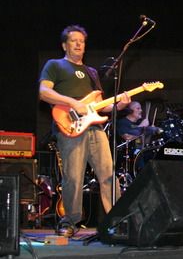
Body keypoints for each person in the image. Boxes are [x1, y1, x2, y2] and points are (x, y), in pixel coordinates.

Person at [39, 25, 130, 237]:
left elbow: (100, 105)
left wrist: (120, 105)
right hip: (70, 126)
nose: (79, 44)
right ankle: (70, 221)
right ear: (64, 45)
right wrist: (73, 103)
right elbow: (44, 92)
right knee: (73, 176)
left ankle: (117, 221)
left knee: (108, 175)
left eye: (82, 41)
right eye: (74, 41)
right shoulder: (55, 65)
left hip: (95, 128)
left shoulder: (91, 72)